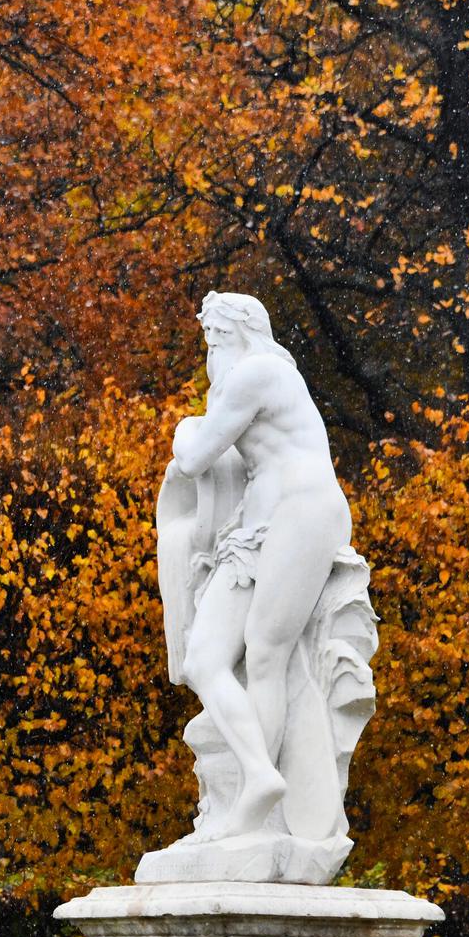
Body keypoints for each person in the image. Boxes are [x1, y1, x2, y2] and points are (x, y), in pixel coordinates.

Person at [167, 292, 352, 840]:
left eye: (219, 336)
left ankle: (259, 808)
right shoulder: (240, 383)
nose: (212, 350)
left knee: (266, 653)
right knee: (204, 659)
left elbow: (194, 457)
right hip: (254, 525)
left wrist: (184, 428)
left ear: (246, 333)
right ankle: (259, 776)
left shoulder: (259, 372)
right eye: (208, 340)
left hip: (302, 509)